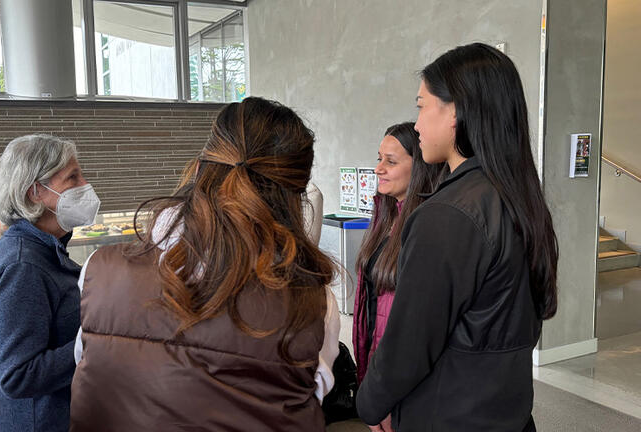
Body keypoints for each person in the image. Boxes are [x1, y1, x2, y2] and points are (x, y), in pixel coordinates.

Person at [70, 97, 340, 431]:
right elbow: (312, 393)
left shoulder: (100, 270)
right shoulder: (311, 300)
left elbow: (89, 367)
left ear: (199, 169)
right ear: (296, 196)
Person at [356, 43, 559, 432]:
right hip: (506, 409)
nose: (416, 124)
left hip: (448, 413)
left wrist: (371, 403)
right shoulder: (518, 197)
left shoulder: (448, 214)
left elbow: (410, 345)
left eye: (422, 105)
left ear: (456, 111)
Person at [0, 134, 100, 432]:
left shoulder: (44, 251)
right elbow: (17, 374)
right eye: (73, 177)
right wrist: (97, 341)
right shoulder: (22, 266)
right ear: (35, 192)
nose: (85, 185)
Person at [352, 122, 444, 384]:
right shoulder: (384, 214)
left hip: (399, 375)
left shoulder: (428, 227)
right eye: (379, 159)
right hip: (375, 357)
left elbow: (417, 332)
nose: (378, 168)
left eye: (390, 161)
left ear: (419, 168)